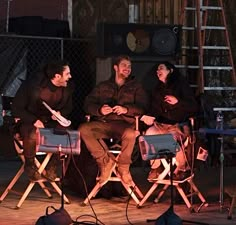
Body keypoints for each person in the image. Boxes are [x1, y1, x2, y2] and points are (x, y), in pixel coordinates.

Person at [79, 55, 148, 186]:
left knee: (130, 134)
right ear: (115, 67)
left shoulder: (136, 87)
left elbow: (142, 108)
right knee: (83, 129)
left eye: (129, 66)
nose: (127, 69)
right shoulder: (103, 86)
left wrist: (126, 109)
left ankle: (123, 168)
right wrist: (100, 110)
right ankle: (104, 161)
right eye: (124, 66)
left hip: (124, 124)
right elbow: (87, 104)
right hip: (104, 123)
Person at [12, 60, 73, 181]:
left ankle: (52, 165)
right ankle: (30, 165)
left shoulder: (67, 88)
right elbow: (16, 108)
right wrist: (34, 120)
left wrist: (60, 114)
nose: (70, 77)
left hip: (50, 121)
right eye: (67, 74)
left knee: (67, 134)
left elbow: (69, 107)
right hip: (29, 121)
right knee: (33, 133)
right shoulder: (33, 86)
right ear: (57, 76)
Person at [141, 61, 199, 181]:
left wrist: (178, 102)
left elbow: (193, 106)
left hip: (178, 125)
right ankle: (156, 167)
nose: (158, 71)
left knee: (171, 139)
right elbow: (154, 109)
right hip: (161, 125)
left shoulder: (181, 85)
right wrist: (149, 117)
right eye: (157, 70)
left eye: (161, 68)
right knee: (148, 134)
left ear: (170, 71)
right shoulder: (157, 89)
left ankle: (182, 168)